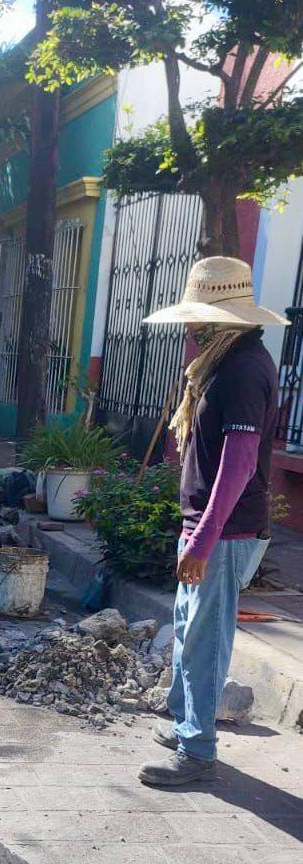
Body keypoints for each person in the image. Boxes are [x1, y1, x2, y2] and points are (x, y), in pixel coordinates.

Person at [137, 256, 286, 787]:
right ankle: (183, 720)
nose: (190, 327)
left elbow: (240, 464)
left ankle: (197, 750)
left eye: (198, 317)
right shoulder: (226, 361)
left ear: (220, 319)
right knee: (188, 626)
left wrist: (202, 540)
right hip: (210, 526)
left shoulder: (244, 369)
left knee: (205, 640)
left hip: (227, 532)